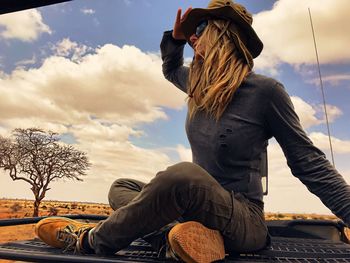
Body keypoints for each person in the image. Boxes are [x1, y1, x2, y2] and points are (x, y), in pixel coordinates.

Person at [35, 0, 350, 262]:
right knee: (121, 187)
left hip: (244, 221)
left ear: (224, 34)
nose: (192, 38)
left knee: (182, 176)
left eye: (199, 29)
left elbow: (309, 164)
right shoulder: (199, 86)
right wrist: (174, 39)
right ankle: (177, 241)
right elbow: (171, 68)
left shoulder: (266, 92)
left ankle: (87, 240)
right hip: (196, 213)